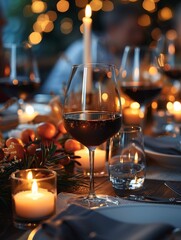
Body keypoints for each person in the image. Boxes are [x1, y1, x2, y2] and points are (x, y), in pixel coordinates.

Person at [41, 4, 145, 95]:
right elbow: (50, 91)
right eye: (132, 31)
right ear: (112, 29)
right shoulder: (81, 50)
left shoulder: (128, 56)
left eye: (140, 31)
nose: (139, 37)